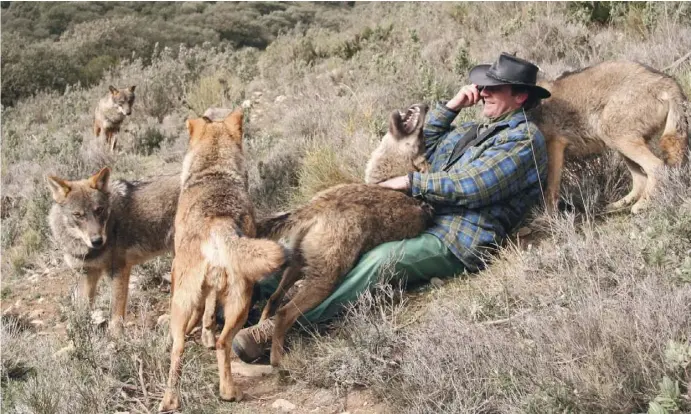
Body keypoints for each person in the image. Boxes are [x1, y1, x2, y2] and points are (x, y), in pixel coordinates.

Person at [232, 52, 551, 362]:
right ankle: (247, 295)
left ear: (520, 96)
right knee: (319, 234)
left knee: (376, 261)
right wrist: (452, 107)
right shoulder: (473, 130)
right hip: (415, 217)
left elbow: (474, 186)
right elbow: (425, 144)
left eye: (494, 88)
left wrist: (410, 183)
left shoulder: (523, 140)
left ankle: (278, 330)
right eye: (484, 86)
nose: (484, 93)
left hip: (458, 237)